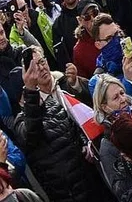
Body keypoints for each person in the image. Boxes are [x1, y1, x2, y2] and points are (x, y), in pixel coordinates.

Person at [14, 46, 98, 202]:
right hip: (67, 194)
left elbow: (77, 127)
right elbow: (32, 133)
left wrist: (85, 144)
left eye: (42, 61)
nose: (41, 68)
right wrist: (31, 90)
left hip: (90, 184)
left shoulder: (56, 101)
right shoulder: (21, 122)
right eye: (34, 67)